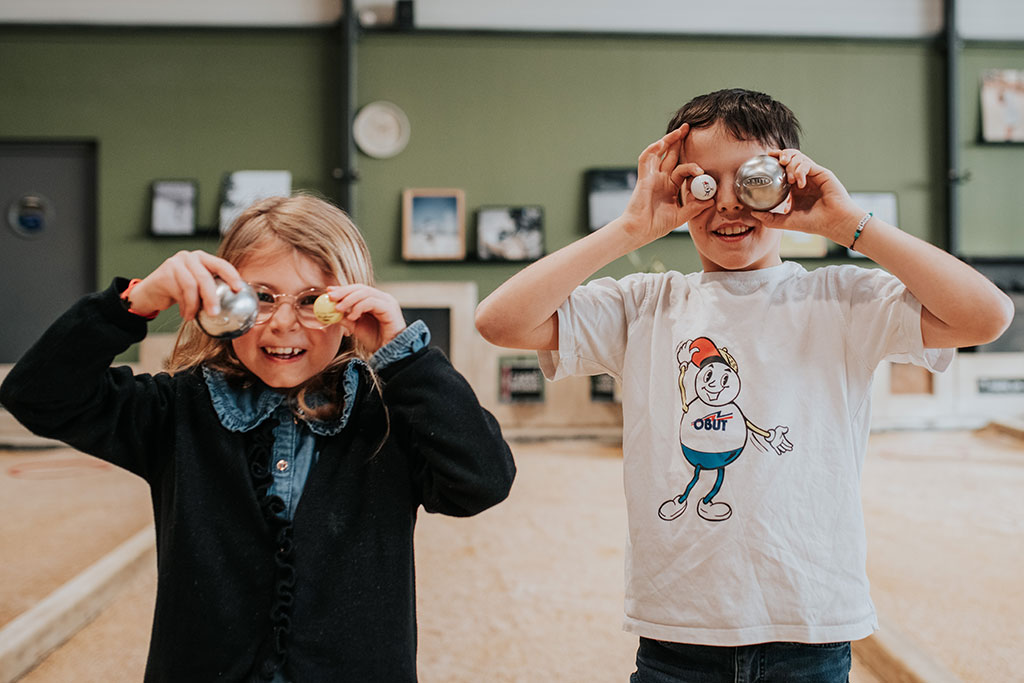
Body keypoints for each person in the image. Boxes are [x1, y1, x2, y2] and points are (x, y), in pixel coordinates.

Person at [475, 88, 1013, 682]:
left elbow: (985, 317)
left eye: (752, 180)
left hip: (809, 626)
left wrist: (848, 223)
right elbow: (500, 322)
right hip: (677, 629)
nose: (728, 204)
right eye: (704, 183)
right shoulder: (645, 305)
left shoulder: (840, 299)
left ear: (788, 181)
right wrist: (631, 228)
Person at [0, 193, 516, 682]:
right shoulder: (175, 411)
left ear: (349, 305)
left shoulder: (386, 415)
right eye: (261, 298)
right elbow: (37, 393)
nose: (284, 324)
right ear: (223, 302)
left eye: (313, 301)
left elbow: (484, 479)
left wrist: (405, 358)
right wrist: (136, 302)